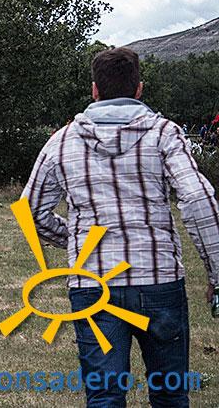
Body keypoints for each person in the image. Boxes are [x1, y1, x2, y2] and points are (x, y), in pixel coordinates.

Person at [22, 47, 219, 407]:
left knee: (104, 397)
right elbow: (198, 199)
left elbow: (31, 211)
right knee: (170, 394)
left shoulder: (62, 140)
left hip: (92, 283)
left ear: (95, 90)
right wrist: (216, 274)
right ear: (139, 88)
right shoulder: (164, 134)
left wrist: (76, 238)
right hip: (159, 280)